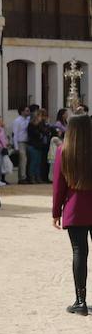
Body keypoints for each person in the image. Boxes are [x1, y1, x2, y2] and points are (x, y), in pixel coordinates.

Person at [53, 113, 92, 315]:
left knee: (79, 252)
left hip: (75, 208)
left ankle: (80, 301)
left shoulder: (63, 151)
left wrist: (55, 211)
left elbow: (59, 186)